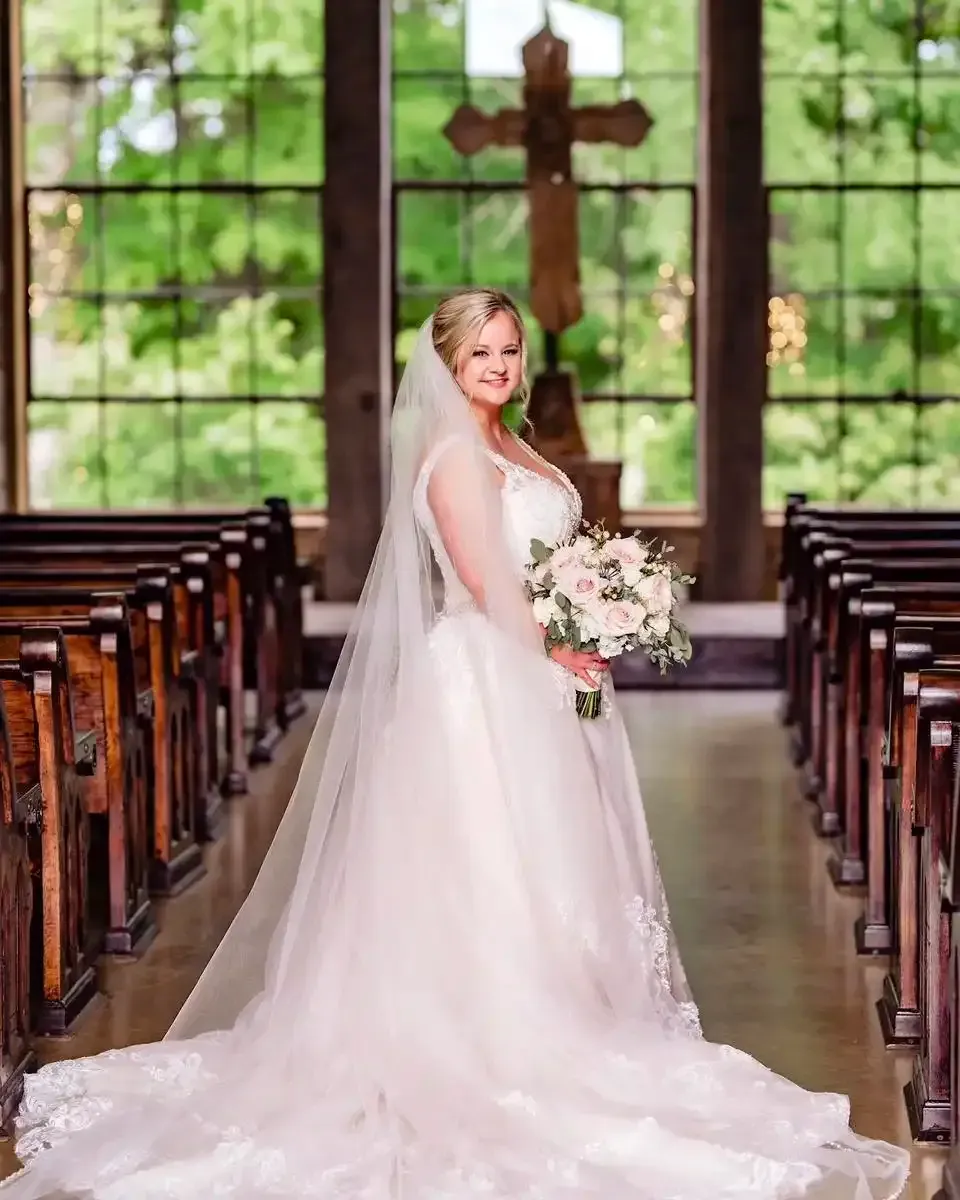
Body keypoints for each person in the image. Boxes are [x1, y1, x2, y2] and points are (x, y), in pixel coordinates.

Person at [1, 289, 909, 1200]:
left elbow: (543, 569)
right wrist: (565, 639)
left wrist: (596, 605)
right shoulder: (452, 459)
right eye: (482, 355)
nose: (502, 369)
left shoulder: (517, 446)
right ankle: (492, 1042)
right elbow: (486, 588)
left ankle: (569, 1017)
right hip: (483, 687)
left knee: (554, 865)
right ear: (446, 364)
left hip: (541, 683)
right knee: (486, 866)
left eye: (510, 352)